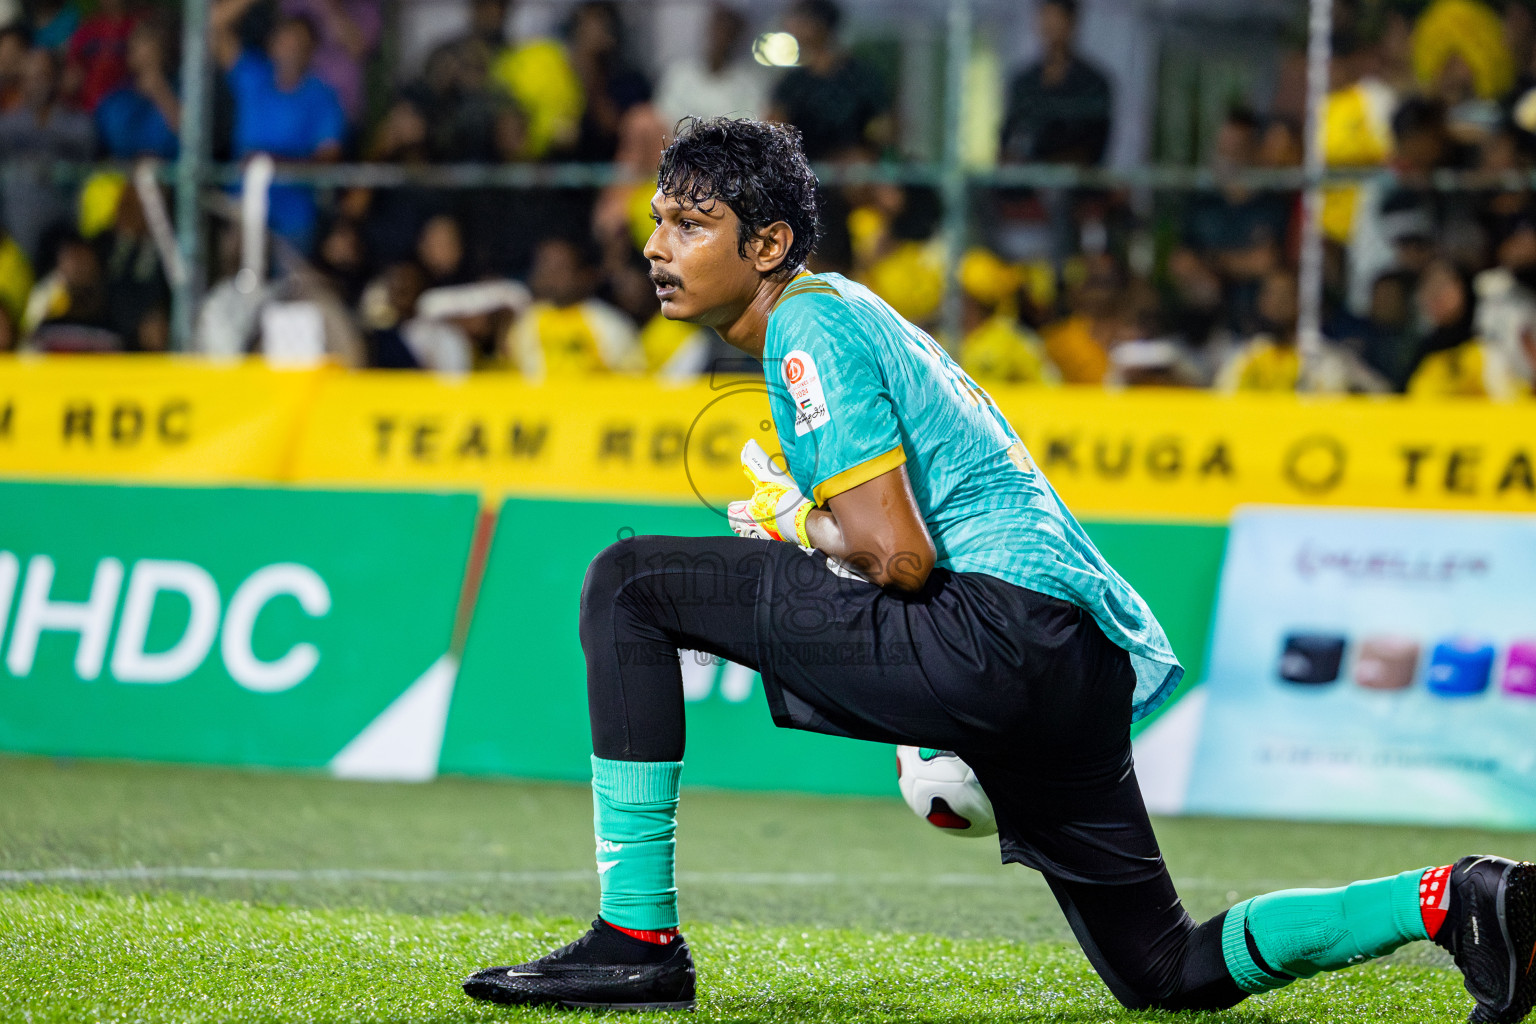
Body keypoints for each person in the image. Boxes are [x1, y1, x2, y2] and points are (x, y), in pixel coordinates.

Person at [459, 116, 1536, 1020]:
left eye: (692, 224)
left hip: (993, 633)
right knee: (1163, 971)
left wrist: (797, 520)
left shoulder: (804, 329)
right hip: (1073, 662)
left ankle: (636, 937)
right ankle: (1455, 899)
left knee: (631, 585)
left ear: (770, 242)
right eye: (658, 217)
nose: (658, 244)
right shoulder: (857, 318)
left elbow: (899, 556)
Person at [211, 0, 347, 254]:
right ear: (272, 44)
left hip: (293, 221)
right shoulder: (253, 76)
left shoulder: (323, 98)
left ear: (311, 50)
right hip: (242, 211)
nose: (291, 49)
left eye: (299, 43)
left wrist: (272, 164)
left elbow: (329, 161)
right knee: (235, 284)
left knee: (288, 292)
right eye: (285, 40)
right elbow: (213, 25)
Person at [767, 0, 891, 160]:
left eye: (800, 19)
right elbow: (774, 127)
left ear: (819, 24)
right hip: (806, 167)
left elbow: (884, 129)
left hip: (855, 171)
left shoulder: (861, 75)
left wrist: (863, 153)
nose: (791, 26)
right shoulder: (793, 82)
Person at [998, 0, 1112, 166]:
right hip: (1024, 183)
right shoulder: (1024, 82)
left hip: (1073, 185)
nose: (1049, 26)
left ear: (1071, 22)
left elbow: (1092, 147)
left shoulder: (1093, 83)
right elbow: (1009, 138)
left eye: (1056, 18)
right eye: (1045, 17)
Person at [653, 2, 769, 126]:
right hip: (677, 141)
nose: (720, 38)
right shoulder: (679, 73)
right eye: (717, 30)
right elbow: (663, 116)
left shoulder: (749, 83)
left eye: (728, 33)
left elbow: (749, 123)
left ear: (737, 38)